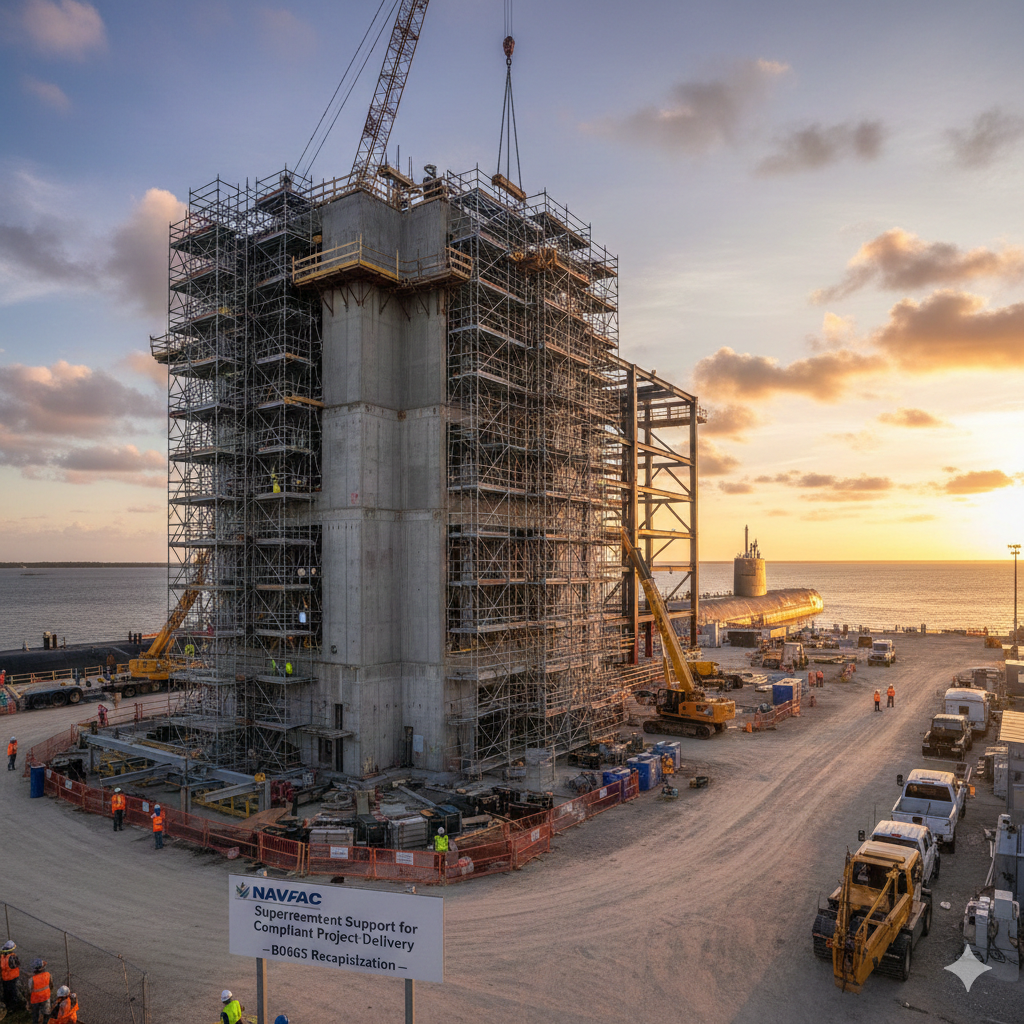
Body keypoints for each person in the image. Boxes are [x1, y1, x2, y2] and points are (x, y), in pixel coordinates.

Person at [28, 959, 51, 1024]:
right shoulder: (48, 975)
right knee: (46, 1013)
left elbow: (30, 990)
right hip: (46, 997)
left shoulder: (32, 979)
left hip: (35, 1000)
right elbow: (51, 985)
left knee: (35, 1014)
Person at [1, 940, 20, 1010]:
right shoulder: (12, 958)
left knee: (6, 991)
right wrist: (14, 956)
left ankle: (7, 1004)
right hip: (12, 977)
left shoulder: (2, 957)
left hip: (5, 977)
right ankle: (13, 1006)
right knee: (13, 992)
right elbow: (17, 964)